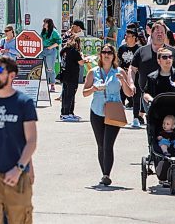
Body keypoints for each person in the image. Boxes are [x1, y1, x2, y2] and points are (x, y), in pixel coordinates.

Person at [0, 56, 37, 224]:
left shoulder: (24, 102)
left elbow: (31, 140)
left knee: (19, 220)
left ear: (12, 76)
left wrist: (20, 168)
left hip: (17, 174)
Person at [83, 44, 134, 186]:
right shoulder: (93, 72)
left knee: (108, 144)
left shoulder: (119, 71)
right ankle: (104, 172)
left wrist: (123, 81)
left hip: (114, 110)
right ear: (100, 55)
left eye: (109, 53)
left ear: (114, 56)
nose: (106, 55)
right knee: (100, 144)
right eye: (104, 52)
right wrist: (93, 88)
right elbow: (84, 92)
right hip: (97, 111)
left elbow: (129, 93)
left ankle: (107, 174)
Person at [129, 21, 175, 113]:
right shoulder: (141, 51)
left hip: (170, 95)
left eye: (162, 33)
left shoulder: (172, 53)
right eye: (157, 32)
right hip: (148, 95)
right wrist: (131, 83)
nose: (160, 35)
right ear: (151, 34)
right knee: (154, 120)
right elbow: (132, 69)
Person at [117, 29, 142, 127]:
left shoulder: (139, 49)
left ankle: (136, 118)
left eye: (128, 36)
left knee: (136, 97)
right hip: (123, 76)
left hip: (136, 76)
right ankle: (120, 118)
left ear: (134, 37)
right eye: (125, 36)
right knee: (121, 97)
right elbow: (118, 61)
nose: (126, 38)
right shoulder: (121, 48)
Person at [59, 37, 85, 122]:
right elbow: (81, 62)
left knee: (65, 94)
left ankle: (67, 113)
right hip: (72, 76)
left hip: (64, 75)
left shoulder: (63, 51)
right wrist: (84, 57)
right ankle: (66, 114)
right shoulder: (74, 51)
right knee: (70, 95)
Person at [41, 18, 62, 92]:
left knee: (50, 68)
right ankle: (45, 84)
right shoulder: (43, 31)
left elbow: (59, 41)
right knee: (43, 68)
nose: (43, 24)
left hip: (51, 51)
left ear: (49, 24)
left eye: (45, 23)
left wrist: (51, 47)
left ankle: (52, 85)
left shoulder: (54, 31)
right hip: (43, 50)